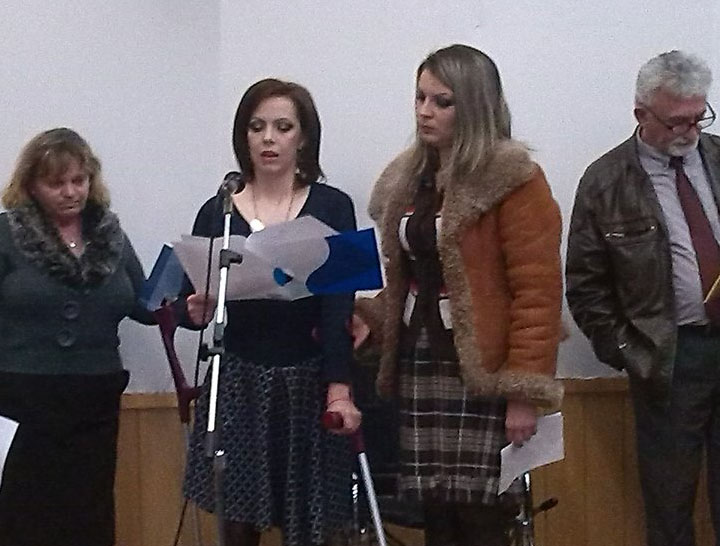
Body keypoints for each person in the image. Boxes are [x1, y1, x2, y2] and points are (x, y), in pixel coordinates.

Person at [353, 44, 563, 546]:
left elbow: (537, 294)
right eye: (420, 98)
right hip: (420, 363)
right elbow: (409, 282)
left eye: (441, 101)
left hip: (482, 370)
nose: (424, 111)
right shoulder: (410, 180)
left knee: (480, 515)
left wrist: (523, 392)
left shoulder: (514, 179)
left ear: (473, 105)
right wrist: (369, 317)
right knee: (436, 514)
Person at [0, 128, 204, 546]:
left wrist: (187, 311)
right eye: (56, 183)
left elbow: (145, 305)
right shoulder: (6, 234)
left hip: (94, 398)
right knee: (24, 513)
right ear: (31, 186)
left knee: (88, 515)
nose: (70, 192)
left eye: (79, 180)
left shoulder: (109, 235)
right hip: (22, 399)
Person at [183, 78, 362, 546]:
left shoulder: (332, 206)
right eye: (256, 127)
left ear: (303, 137)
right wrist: (195, 309)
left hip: (307, 381)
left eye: (283, 127)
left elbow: (339, 307)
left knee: (311, 524)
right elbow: (189, 302)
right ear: (243, 135)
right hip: (238, 381)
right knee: (236, 522)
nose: (268, 138)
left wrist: (338, 389)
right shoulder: (219, 211)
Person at [566, 50, 720, 546]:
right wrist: (631, 352)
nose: (690, 131)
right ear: (641, 114)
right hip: (669, 359)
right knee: (670, 505)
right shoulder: (606, 181)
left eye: (699, 117)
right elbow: (585, 286)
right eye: (677, 121)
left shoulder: (718, 157)